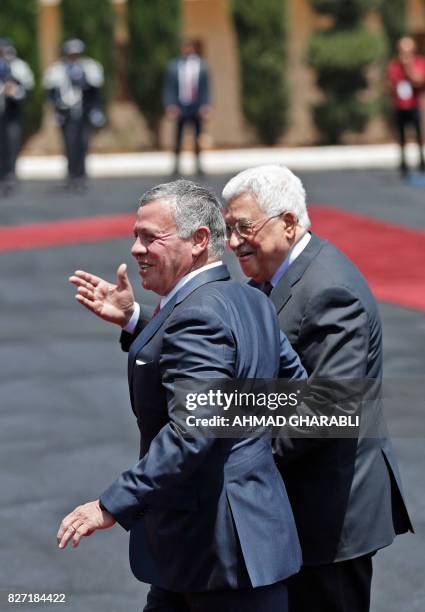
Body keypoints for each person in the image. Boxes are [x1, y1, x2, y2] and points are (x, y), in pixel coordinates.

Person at [58, 180, 307, 612]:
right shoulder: (249, 300)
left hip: (218, 553)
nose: (136, 249)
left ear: (199, 241)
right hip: (224, 549)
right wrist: (137, 322)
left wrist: (111, 504)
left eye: (150, 237)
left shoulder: (197, 314)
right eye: (136, 235)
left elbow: (193, 430)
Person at [221, 165, 413, 612]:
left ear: (288, 223)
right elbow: (225, 339)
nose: (232, 242)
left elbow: (327, 411)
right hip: (300, 512)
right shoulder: (277, 281)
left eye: (243, 227)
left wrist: (243, 456)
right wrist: (138, 322)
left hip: (331, 519)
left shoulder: (329, 290)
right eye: (227, 230)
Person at [43, 39, 104, 191]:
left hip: (84, 112)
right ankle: (72, 176)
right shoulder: (57, 69)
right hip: (66, 113)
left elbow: (96, 91)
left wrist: (96, 110)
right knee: (70, 145)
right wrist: (56, 110)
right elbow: (50, 92)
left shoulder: (91, 67)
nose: (74, 57)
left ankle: (81, 176)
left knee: (83, 144)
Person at [163, 39, 210, 176]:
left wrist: (206, 105)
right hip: (180, 106)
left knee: (198, 137)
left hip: (196, 106)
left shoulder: (201, 65)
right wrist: (170, 104)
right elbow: (169, 87)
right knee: (178, 137)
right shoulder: (174, 65)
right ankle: (176, 165)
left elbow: (206, 88)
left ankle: (199, 164)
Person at [387, 36, 425, 177]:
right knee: (401, 137)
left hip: (414, 105)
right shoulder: (394, 65)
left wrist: (408, 67)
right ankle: (403, 165)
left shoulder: (420, 62)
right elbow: (390, 82)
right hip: (399, 106)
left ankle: (421, 163)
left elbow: (419, 80)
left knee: (418, 136)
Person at [0, 38, 34, 195]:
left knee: (11, 144)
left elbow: (27, 91)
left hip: (11, 114)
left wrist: (14, 92)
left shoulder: (19, 67)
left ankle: (9, 174)